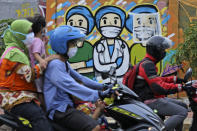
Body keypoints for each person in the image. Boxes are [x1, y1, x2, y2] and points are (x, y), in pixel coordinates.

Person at [44, 25, 112, 131]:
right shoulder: (55, 65)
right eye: (72, 43)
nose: (75, 46)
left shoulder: (64, 63)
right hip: (59, 109)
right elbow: (71, 85)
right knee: (94, 127)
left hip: (66, 106)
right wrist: (97, 94)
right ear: (62, 45)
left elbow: (81, 78)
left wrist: (103, 86)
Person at [0, 19, 57, 131]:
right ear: (18, 33)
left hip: (14, 95)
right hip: (15, 98)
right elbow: (30, 75)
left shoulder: (15, 50)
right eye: (29, 32)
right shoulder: (15, 54)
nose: (31, 35)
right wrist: (45, 61)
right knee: (39, 117)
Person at [132, 35, 189, 131]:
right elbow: (159, 87)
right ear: (156, 50)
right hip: (150, 101)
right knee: (182, 112)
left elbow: (157, 80)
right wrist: (181, 87)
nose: (164, 52)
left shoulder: (147, 63)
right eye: (163, 50)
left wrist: (176, 80)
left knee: (182, 105)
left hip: (153, 99)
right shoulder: (148, 65)